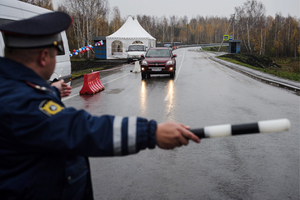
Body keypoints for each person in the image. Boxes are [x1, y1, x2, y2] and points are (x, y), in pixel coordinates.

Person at [0, 12, 200, 200]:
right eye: (54, 54)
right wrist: (151, 133)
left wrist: (51, 91)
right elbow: (81, 129)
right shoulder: (21, 101)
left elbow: (32, 112)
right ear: (43, 57)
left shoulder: (11, 87)